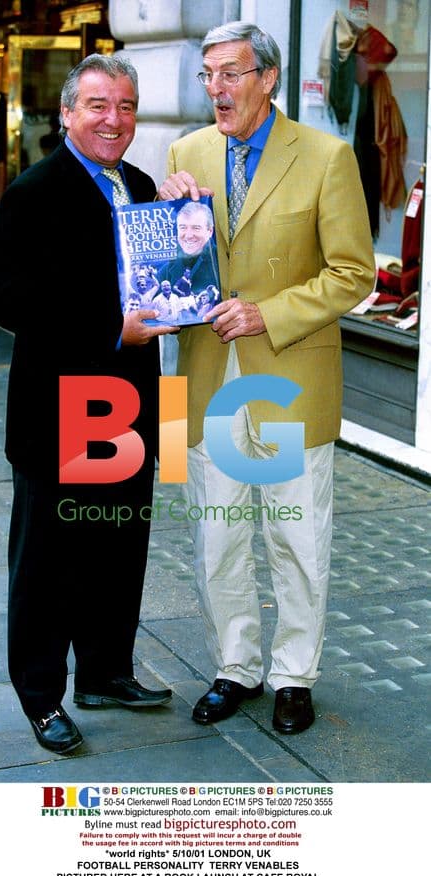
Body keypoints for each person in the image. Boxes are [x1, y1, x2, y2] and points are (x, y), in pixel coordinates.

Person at [158, 22, 375, 734]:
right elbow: (170, 271)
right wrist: (168, 215)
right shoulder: (185, 153)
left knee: (296, 539)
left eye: (231, 73)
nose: (216, 89)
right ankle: (236, 666)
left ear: (268, 77)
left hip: (289, 379)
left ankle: (293, 675)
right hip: (202, 378)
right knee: (215, 539)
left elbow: (354, 273)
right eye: (208, 75)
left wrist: (267, 314)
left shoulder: (327, 156)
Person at [0, 54, 177, 755]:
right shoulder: (32, 192)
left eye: (125, 106)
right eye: (98, 105)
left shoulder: (142, 186)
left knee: (118, 546)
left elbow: (163, 282)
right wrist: (112, 329)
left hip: (132, 406)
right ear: (68, 112)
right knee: (47, 560)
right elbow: (13, 304)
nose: (113, 119)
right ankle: (42, 698)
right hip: (59, 410)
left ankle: (105, 672)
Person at [158, 202, 220, 300]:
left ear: (210, 231)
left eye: (196, 228)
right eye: (183, 228)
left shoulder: (223, 260)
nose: (189, 235)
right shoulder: (165, 271)